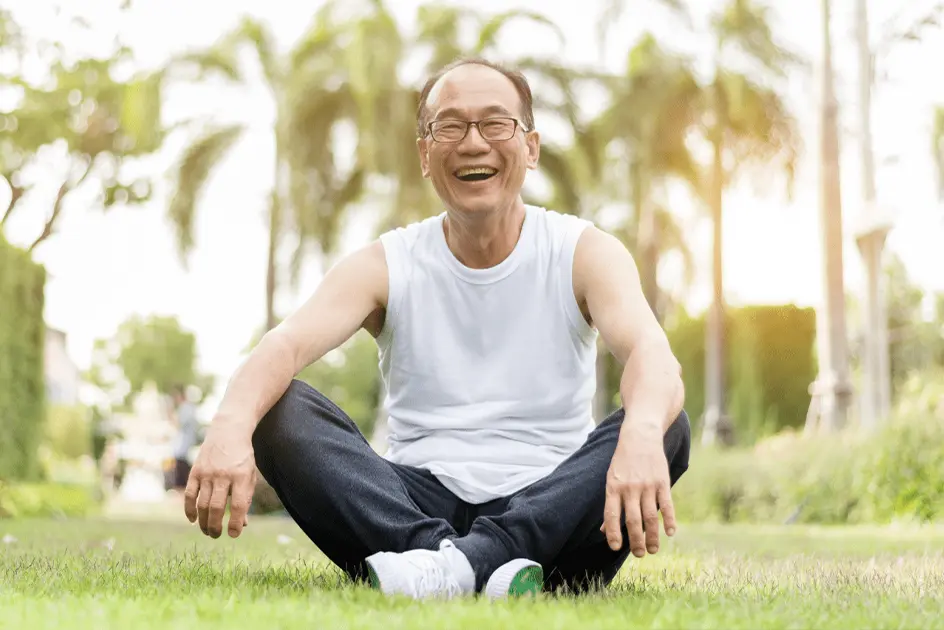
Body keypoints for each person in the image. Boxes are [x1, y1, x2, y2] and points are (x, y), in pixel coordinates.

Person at [184, 57, 691, 600]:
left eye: (496, 124)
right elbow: (284, 345)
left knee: (666, 424)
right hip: (414, 502)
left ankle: (445, 570)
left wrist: (640, 434)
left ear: (531, 147)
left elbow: (651, 355)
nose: (473, 143)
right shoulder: (388, 261)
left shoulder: (583, 252)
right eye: (450, 126)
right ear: (426, 153)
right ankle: (478, 565)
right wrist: (231, 423)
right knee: (278, 410)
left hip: (550, 505)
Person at [170, 385, 200, 493]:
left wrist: (170, 414)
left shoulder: (185, 408)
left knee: (182, 472)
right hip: (185, 446)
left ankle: (182, 495)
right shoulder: (190, 408)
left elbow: (178, 424)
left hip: (184, 447)